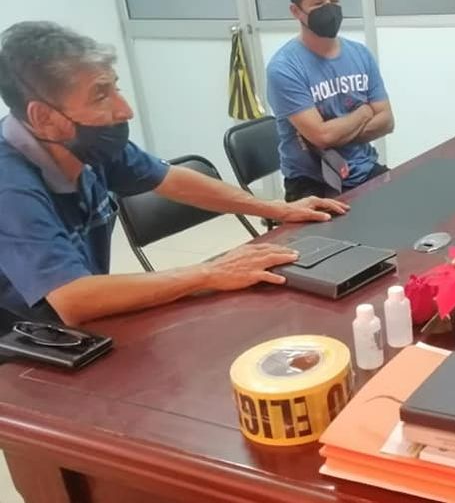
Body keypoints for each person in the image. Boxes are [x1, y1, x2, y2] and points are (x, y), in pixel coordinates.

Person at [0, 21, 350, 326]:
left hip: (76, 324)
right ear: (43, 118)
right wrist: (209, 273)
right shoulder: (10, 186)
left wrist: (276, 208)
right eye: (100, 96)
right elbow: (72, 299)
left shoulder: (84, 144)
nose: (125, 110)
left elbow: (172, 180)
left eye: (114, 87)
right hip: (21, 348)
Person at [267, 0, 394, 201]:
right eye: (318, 3)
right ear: (296, 11)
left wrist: (338, 133)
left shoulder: (361, 54)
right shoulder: (284, 68)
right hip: (313, 183)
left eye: (334, 1)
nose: (329, 9)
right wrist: (364, 112)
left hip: (364, 169)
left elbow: (386, 121)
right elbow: (323, 137)